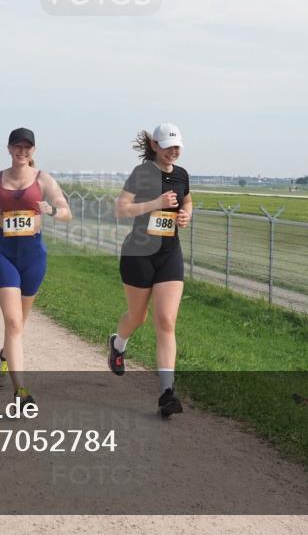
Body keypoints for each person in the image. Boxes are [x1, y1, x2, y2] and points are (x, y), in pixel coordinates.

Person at [0, 128, 70, 410]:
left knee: (19, 324)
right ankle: (21, 392)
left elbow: (66, 211)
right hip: (3, 254)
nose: (22, 151)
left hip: (33, 256)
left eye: (27, 148)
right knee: (14, 323)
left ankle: (5, 354)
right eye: (17, 146)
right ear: (9, 148)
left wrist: (51, 210)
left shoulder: (44, 179)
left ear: (34, 151)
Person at [108, 123, 192, 418]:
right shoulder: (142, 174)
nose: (174, 150)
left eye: (177, 145)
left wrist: (185, 215)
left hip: (169, 254)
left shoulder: (182, 175)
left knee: (166, 321)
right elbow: (121, 209)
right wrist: (156, 203)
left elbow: (188, 199)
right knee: (138, 317)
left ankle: (167, 393)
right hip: (139, 254)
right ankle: (118, 344)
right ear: (155, 146)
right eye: (168, 145)